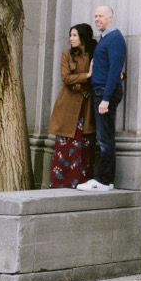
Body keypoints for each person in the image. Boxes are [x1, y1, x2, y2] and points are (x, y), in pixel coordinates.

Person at [78, 4, 126, 192]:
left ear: (111, 18)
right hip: (102, 91)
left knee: (104, 139)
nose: (97, 19)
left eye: (101, 16)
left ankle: (103, 180)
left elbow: (115, 69)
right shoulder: (106, 39)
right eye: (96, 16)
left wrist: (106, 98)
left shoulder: (114, 39)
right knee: (105, 137)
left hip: (104, 93)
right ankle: (107, 180)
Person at [47, 24, 96, 188]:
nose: (71, 38)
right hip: (68, 105)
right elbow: (66, 78)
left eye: (75, 35)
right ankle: (60, 183)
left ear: (83, 37)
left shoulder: (93, 54)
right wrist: (87, 76)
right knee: (65, 143)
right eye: (70, 35)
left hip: (86, 106)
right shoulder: (66, 55)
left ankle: (82, 182)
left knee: (84, 143)